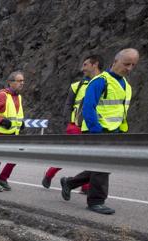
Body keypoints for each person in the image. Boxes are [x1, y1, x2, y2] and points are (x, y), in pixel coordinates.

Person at [60, 48, 139, 215]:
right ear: (115, 61)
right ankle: (96, 201)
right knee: (102, 166)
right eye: (126, 64)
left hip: (115, 131)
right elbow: (88, 109)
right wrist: (97, 131)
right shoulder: (100, 81)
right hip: (98, 130)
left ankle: (70, 182)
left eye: (133, 65)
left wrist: (121, 131)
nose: (130, 68)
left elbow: (119, 111)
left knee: (102, 166)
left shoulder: (126, 85)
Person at [42, 55, 103, 190]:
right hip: (76, 126)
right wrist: (69, 123)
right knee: (69, 155)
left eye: (85, 65)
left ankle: (86, 186)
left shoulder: (105, 83)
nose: (82, 69)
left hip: (95, 127)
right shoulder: (77, 85)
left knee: (91, 158)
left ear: (95, 64)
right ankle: (49, 174)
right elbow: (68, 105)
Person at [0, 71, 25, 192]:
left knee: (16, 157)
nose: (22, 83)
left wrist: (21, 123)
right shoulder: (3, 95)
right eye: (19, 81)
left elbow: (16, 115)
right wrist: (1, 121)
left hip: (14, 133)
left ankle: (2, 178)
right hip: (0, 133)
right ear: (10, 82)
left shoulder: (18, 96)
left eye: (23, 81)